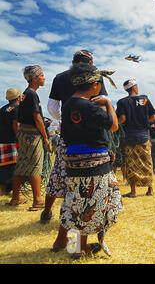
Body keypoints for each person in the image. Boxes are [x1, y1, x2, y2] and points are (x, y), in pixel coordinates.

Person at [59, 63, 123, 259]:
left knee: (75, 204)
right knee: (93, 205)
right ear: (95, 85)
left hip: (73, 162)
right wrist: (109, 104)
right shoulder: (90, 106)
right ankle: (81, 248)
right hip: (95, 163)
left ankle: (75, 248)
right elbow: (113, 126)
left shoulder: (68, 104)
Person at [42, 50, 110, 226]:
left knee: (58, 174)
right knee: (89, 184)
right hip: (93, 139)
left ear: (73, 61)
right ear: (91, 61)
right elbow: (103, 102)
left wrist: (67, 117)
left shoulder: (59, 77)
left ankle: (48, 210)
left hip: (68, 136)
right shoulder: (95, 76)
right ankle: (83, 224)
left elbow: (51, 108)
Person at [9, 66, 48, 210]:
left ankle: (15, 198)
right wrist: (45, 137)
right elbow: (37, 117)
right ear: (35, 78)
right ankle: (38, 200)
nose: (44, 78)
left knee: (21, 165)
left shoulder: (24, 95)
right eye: (42, 75)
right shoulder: (32, 94)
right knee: (35, 166)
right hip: (32, 134)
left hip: (23, 133)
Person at [116, 79, 155, 197]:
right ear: (134, 88)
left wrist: (113, 124)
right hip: (143, 134)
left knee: (131, 163)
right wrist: (143, 121)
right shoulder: (144, 100)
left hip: (130, 135)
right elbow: (153, 116)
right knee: (147, 162)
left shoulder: (122, 102)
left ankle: (133, 191)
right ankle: (150, 189)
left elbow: (122, 119)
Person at [0, 88, 21, 196]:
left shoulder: (2, 109)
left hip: (2, 140)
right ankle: (12, 191)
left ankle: (3, 190)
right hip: (12, 140)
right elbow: (16, 125)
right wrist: (20, 139)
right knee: (13, 167)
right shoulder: (16, 108)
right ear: (18, 97)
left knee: (3, 166)